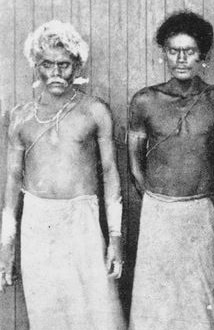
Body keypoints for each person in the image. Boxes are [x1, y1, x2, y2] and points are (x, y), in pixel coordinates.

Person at [0, 20, 125, 329]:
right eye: (47, 65)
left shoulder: (94, 111)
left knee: (97, 313)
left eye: (64, 65)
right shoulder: (19, 117)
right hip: (37, 223)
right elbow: (13, 180)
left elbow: (110, 174)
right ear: (36, 65)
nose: (56, 73)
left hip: (81, 219)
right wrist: (7, 244)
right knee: (47, 312)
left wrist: (116, 239)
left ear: (77, 65)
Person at [127, 11, 214, 330]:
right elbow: (135, 165)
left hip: (202, 214)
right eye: (173, 50)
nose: (180, 59)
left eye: (189, 51)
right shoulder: (145, 101)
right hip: (159, 217)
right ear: (164, 52)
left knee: (204, 303)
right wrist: (159, 201)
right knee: (158, 305)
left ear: (202, 56)